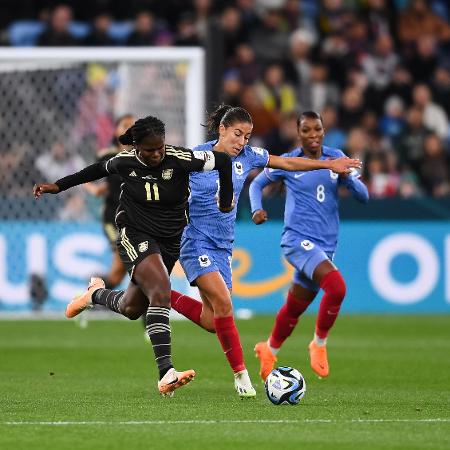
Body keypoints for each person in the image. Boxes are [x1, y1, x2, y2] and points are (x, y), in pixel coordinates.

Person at [167, 105, 362, 398]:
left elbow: (287, 164)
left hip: (223, 246)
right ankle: (241, 376)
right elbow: (169, 186)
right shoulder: (197, 158)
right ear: (221, 129)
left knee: (212, 320)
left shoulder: (248, 156)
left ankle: (157, 293)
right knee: (224, 304)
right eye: (237, 134)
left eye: (247, 136)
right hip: (195, 241)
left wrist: (328, 165)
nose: (242, 142)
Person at [33, 115, 234, 396]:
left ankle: (94, 295)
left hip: (169, 240)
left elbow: (223, 162)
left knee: (132, 308)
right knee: (161, 289)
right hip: (134, 232)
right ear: (136, 148)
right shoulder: (124, 161)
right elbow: (93, 171)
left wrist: (226, 200)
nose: (156, 154)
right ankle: (166, 373)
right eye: (149, 150)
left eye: (160, 148)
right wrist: (58, 185)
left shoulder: (181, 158)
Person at [249, 111, 369, 381]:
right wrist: (257, 209)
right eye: (306, 130)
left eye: (317, 129)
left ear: (324, 130)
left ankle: (269, 349)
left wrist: (348, 177)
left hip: (325, 245)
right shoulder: (290, 162)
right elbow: (256, 184)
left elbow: (364, 197)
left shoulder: (335, 156)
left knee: (295, 306)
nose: (312, 135)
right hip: (297, 240)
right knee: (337, 287)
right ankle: (319, 343)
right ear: (298, 132)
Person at [84, 114, 135, 290]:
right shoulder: (107, 155)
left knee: (117, 274)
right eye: (125, 125)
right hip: (112, 219)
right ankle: (145, 304)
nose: (130, 128)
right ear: (116, 130)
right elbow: (86, 177)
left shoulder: (143, 157)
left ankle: (94, 292)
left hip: (135, 220)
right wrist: (95, 190)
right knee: (130, 260)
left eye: (134, 125)